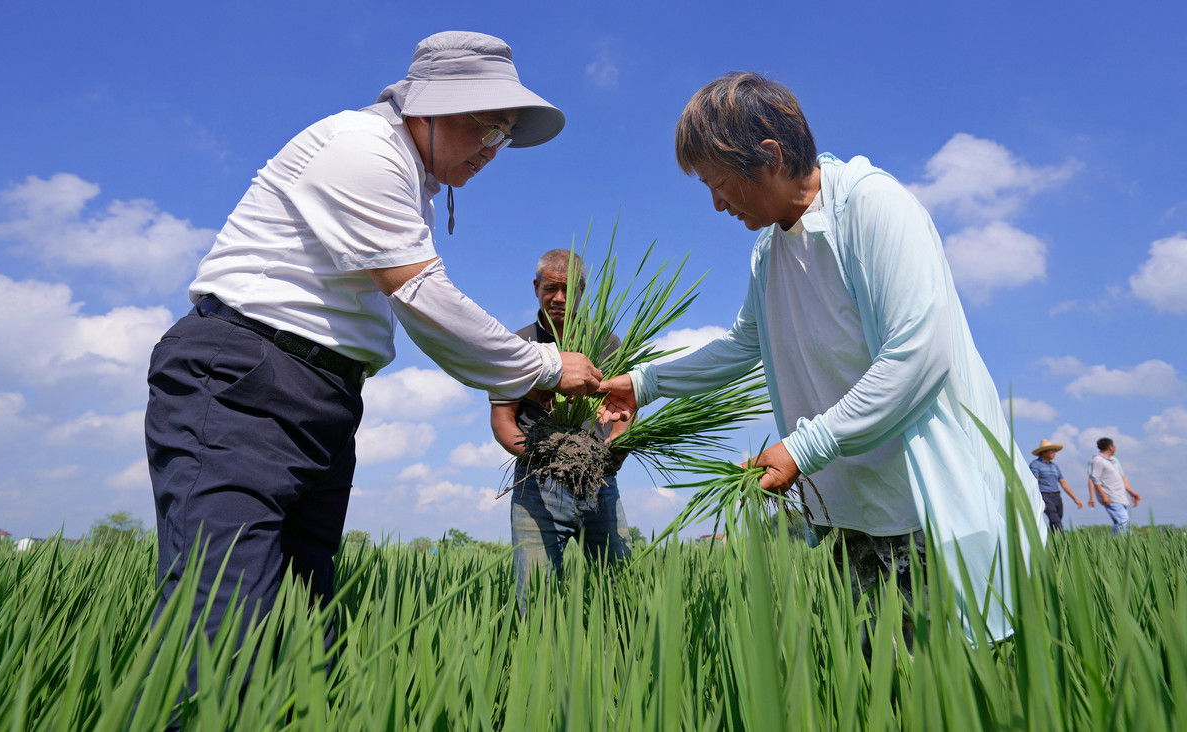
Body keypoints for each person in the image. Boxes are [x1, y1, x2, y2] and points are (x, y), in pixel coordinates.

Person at [145, 32, 602, 654]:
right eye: (488, 128)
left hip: (319, 391)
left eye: (504, 136)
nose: (495, 150)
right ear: (432, 106)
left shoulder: (410, 178)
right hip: (244, 380)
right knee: (223, 606)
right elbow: (423, 300)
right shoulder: (362, 149)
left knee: (302, 611)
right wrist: (545, 366)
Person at [598, 72, 1045, 641]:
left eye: (719, 183)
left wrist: (806, 445)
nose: (715, 205)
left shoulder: (873, 208)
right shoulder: (770, 248)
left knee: (954, 685)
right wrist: (643, 384)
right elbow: (744, 345)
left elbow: (917, 356)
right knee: (875, 684)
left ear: (769, 156)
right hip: (847, 507)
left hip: (924, 503)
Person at [490, 249, 632, 611]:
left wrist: (613, 450)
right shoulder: (516, 346)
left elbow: (626, 413)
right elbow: (503, 421)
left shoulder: (607, 344)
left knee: (622, 591)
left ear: (583, 291)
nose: (559, 298)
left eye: (568, 289)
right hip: (536, 485)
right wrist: (543, 456)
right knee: (534, 600)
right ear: (536, 287)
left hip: (598, 481)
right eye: (550, 288)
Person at [1087, 437, 1141, 535]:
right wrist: (1103, 496)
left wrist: (1132, 493)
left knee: (1124, 522)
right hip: (1111, 496)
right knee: (1123, 521)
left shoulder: (1111, 461)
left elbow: (1121, 478)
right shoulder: (1098, 460)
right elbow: (1094, 478)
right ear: (1111, 447)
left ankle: (1118, 544)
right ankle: (1118, 545)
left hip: (1119, 496)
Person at [1029, 439, 1084, 531]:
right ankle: (1062, 542)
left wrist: (1075, 499)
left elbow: (1063, 483)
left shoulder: (1055, 466)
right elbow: (1034, 483)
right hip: (1045, 496)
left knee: (1056, 520)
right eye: (1052, 450)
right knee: (1056, 521)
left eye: (1054, 450)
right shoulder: (1035, 465)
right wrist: (1039, 499)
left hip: (1057, 496)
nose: (1054, 453)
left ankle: (1055, 541)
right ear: (1043, 452)